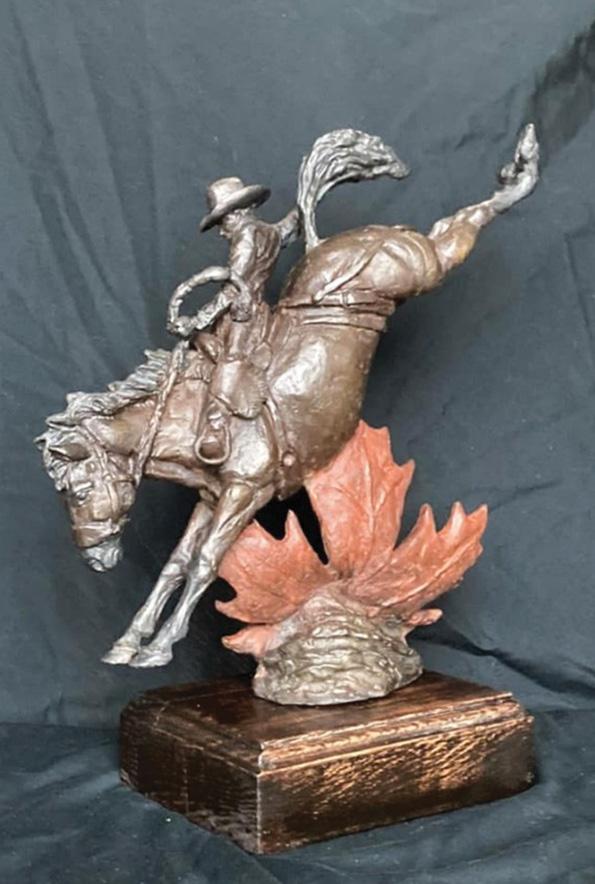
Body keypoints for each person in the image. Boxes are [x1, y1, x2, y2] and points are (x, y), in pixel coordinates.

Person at [168, 176, 301, 465]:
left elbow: (232, 289)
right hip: (258, 311)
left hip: (242, 319)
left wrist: (196, 321)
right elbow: (290, 228)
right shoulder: (268, 232)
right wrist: (304, 201)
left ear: (239, 213)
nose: (221, 232)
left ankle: (216, 428)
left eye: (223, 221)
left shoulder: (245, 238)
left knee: (228, 362)